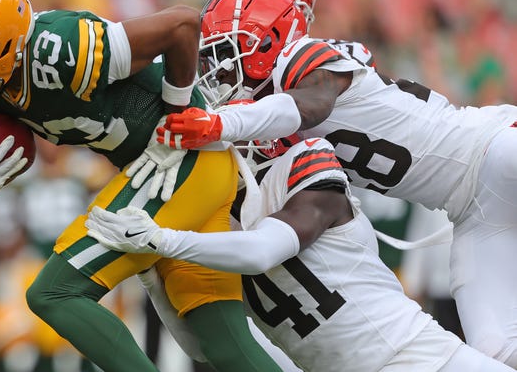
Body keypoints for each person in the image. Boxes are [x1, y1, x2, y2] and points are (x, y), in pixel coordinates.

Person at [0, 0, 283, 372]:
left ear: (4, 46)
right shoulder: (3, 83)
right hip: (176, 174)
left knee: (54, 293)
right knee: (223, 341)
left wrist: (177, 121)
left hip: (183, 163)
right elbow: (29, 126)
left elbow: (182, 23)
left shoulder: (63, 48)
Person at [156, 0, 517, 366]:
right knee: (497, 351)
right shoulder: (275, 126)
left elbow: (307, 106)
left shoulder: (303, 57)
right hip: (467, 211)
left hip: (494, 148)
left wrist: (220, 123)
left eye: (225, 56)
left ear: (264, 44)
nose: (218, 74)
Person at [84, 133, 514, 371]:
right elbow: (203, 345)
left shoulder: (304, 162)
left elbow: (262, 251)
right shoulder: (209, 230)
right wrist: (152, 275)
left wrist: (163, 240)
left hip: (419, 357)